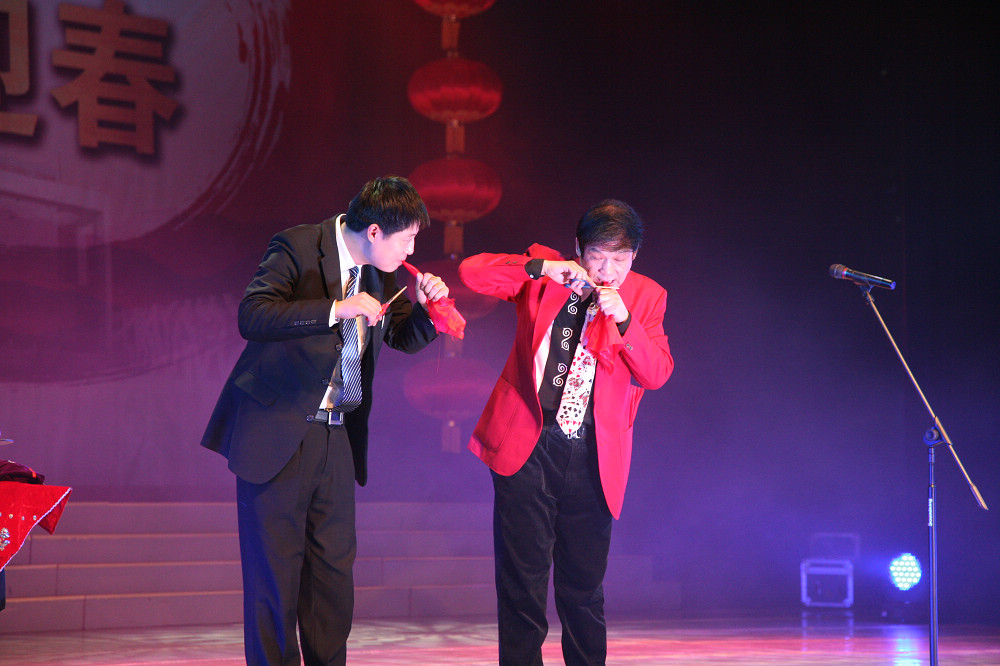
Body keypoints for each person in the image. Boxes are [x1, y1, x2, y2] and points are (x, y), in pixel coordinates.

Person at [201, 176, 448, 666]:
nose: (412, 250)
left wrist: (426, 311)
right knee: (274, 578)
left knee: (332, 578)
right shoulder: (298, 245)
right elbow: (253, 315)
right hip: (278, 431)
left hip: (337, 435)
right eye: (407, 239)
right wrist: (335, 309)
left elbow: (401, 336)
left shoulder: (382, 271)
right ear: (374, 232)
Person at [459, 199, 674, 665]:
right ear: (579, 248)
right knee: (522, 586)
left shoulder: (646, 295)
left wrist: (624, 319)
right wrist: (543, 268)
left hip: (594, 454)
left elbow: (656, 373)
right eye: (598, 256)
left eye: (620, 259)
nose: (608, 270)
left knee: (583, 590)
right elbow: (472, 274)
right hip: (528, 444)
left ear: (635, 256)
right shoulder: (549, 272)